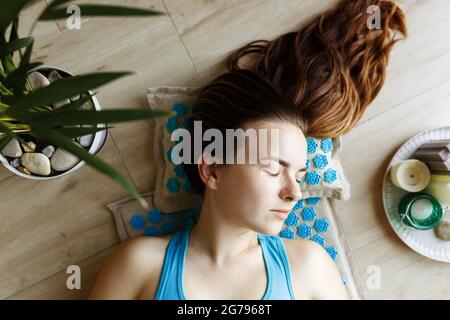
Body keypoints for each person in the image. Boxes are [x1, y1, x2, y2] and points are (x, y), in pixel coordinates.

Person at [89, 0, 407, 300]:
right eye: (272, 168)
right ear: (212, 169)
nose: (294, 193)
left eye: (299, 175)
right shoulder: (141, 264)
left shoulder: (309, 266)